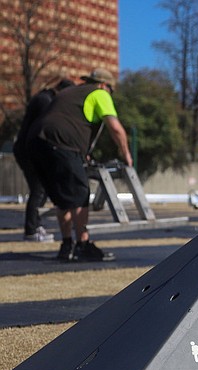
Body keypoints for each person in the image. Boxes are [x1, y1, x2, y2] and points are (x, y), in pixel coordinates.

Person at [27, 68, 133, 262]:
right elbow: (115, 127)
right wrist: (126, 154)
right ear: (104, 85)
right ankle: (82, 245)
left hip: (35, 141)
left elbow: (67, 118)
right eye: (111, 90)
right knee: (80, 194)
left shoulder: (69, 92)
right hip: (61, 142)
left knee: (63, 198)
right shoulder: (100, 93)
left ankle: (66, 245)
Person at [13, 78, 75, 242]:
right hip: (29, 150)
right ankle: (31, 230)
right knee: (38, 189)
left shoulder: (45, 99)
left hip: (28, 148)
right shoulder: (45, 101)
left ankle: (34, 225)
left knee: (43, 189)